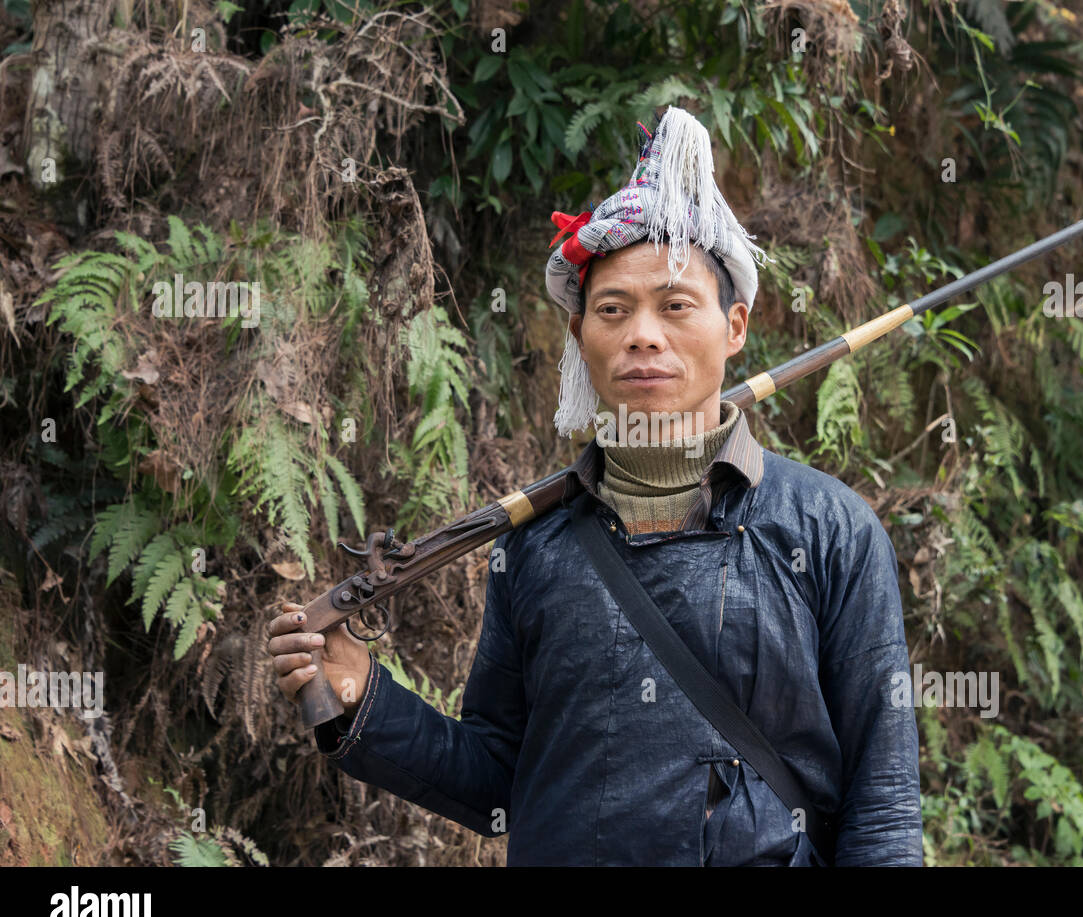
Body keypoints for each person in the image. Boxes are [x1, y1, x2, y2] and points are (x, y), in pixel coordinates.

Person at [267, 106, 922, 866]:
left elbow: (883, 808)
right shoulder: (534, 546)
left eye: (676, 306)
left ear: (734, 326)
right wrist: (363, 698)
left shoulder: (829, 530)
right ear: (580, 335)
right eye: (613, 309)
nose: (644, 333)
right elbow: (500, 785)